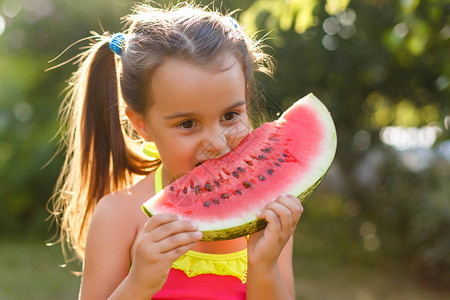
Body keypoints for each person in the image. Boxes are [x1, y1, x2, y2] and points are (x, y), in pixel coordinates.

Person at [50, 2, 303, 299]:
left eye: (230, 115)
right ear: (142, 124)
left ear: (246, 96)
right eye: (187, 124)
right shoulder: (119, 215)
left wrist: (264, 265)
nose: (217, 142)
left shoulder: (268, 211)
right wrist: (139, 281)